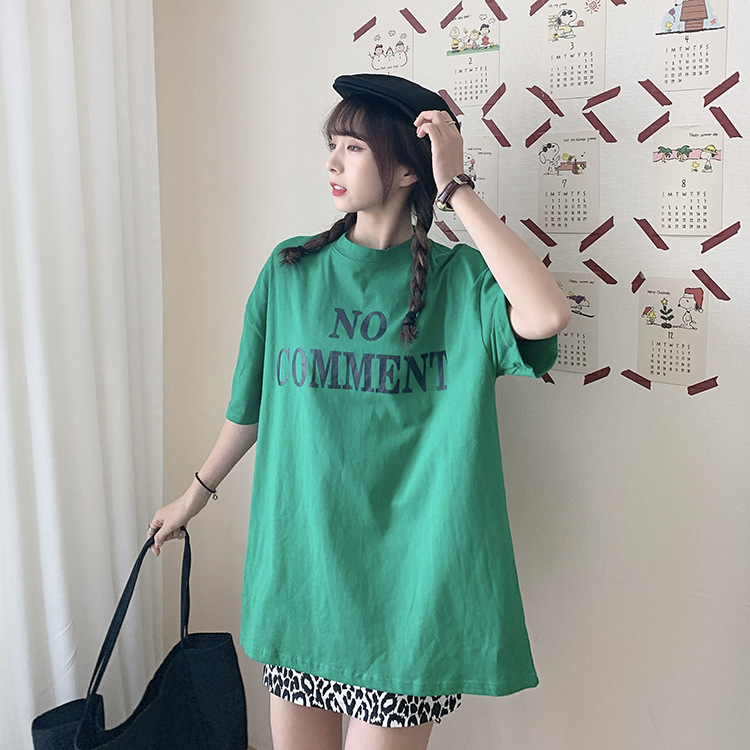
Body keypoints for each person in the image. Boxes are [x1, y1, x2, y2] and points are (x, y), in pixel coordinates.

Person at [147, 73, 570, 750]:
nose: (332, 163)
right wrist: (193, 496)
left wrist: (455, 187)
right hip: (305, 576)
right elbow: (250, 407)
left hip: (409, 596)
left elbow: (546, 315)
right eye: (332, 145)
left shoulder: (461, 283)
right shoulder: (289, 271)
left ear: (406, 168)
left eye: (352, 147)